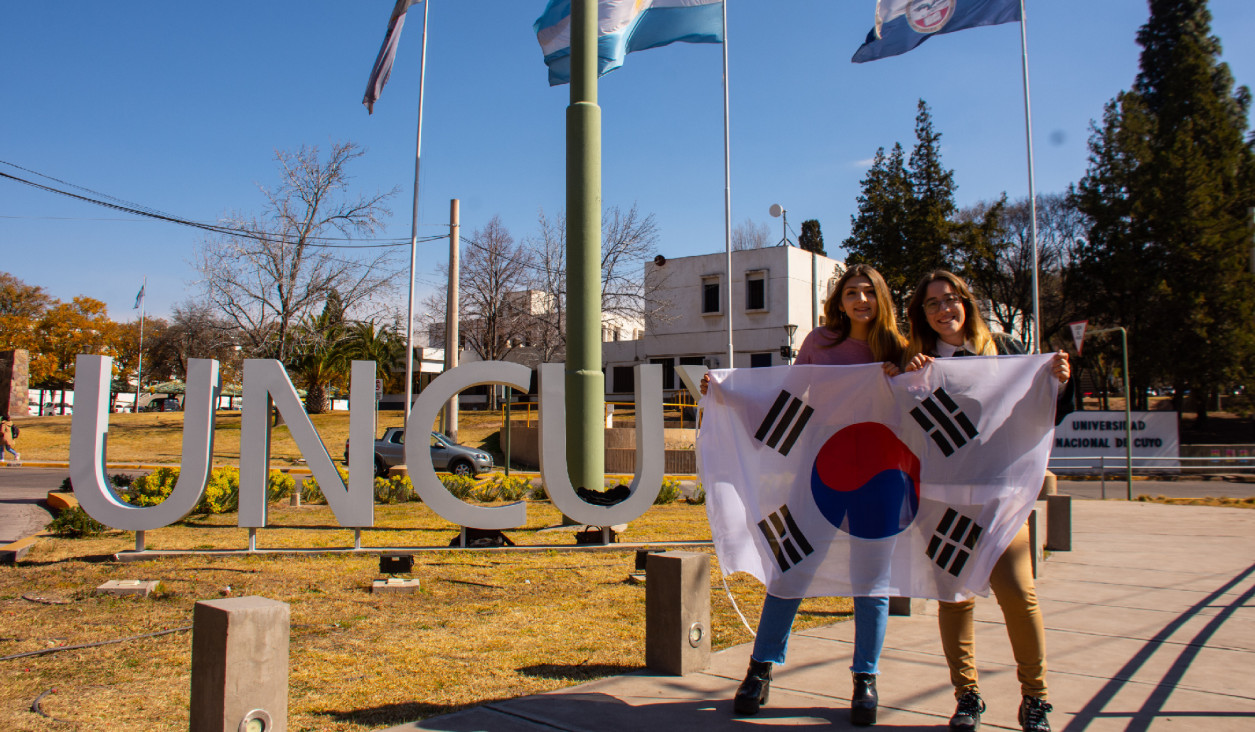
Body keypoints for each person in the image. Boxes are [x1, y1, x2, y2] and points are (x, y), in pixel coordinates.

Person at [703, 264, 906, 726]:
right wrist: (728, 394)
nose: (861, 300)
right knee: (792, 566)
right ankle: (760, 669)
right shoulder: (820, 343)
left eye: (869, 292)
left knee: (871, 581)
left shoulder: (900, 348)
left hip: (882, 476)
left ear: (882, 299)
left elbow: (926, 397)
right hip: (823, 469)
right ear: (840, 300)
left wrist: (909, 370)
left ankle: (865, 680)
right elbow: (789, 398)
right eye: (852, 292)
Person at [902, 270, 1071, 732]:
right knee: (954, 599)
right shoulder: (916, 363)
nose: (943, 310)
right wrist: (904, 381)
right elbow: (894, 419)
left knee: (1020, 596)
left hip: (1000, 501)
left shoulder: (1006, 351)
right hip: (943, 504)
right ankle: (967, 695)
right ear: (922, 314)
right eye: (932, 303)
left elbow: (1043, 410)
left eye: (950, 299)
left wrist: (1061, 381)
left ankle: (1035, 699)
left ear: (966, 304)